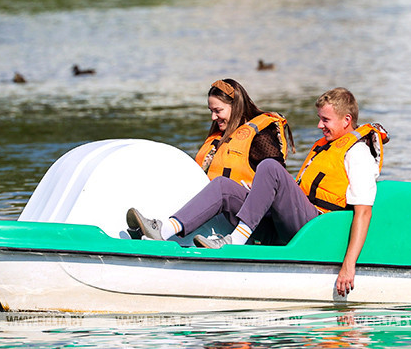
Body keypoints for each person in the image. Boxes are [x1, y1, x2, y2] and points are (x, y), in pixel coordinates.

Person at [129, 87, 388, 297]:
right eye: (319, 118)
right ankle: (162, 233)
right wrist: (260, 193)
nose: (319, 125)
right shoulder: (326, 147)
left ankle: (236, 241)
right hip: (294, 225)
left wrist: (348, 265)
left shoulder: (358, 153)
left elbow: (363, 213)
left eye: (325, 120)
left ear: (346, 120)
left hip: (320, 232)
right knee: (224, 187)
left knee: (270, 167)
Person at [126, 78, 294, 245]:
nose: (213, 117)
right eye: (211, 111)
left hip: (261, 219)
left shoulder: (260, 135)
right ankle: (159, 227)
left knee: (222, 186)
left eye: (218, 110)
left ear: (235, 107)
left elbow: (276, 177)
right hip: (230, 211)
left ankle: (164, 231)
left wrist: (256, 185)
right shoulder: (222, 136)